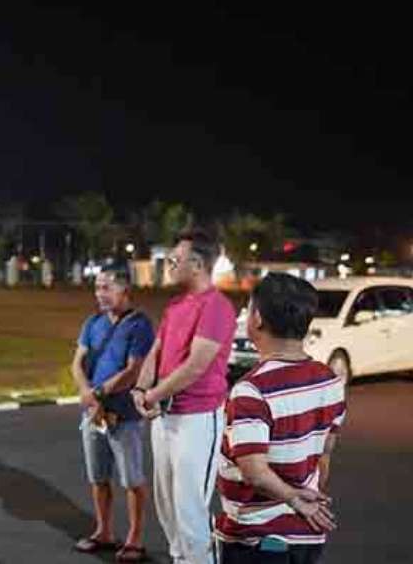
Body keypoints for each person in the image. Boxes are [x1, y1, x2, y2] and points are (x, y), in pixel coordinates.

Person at [216, 273, 345, 563]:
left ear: (257, 318)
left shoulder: (252, 390)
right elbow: (324, 455)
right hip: (306, 529)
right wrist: (304, 499)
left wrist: (292, 498)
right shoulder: (329, 381)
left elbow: (254, 473)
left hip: (258, 538)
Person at [131, 228, 237, 564]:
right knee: (167, 507)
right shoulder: (176, 306)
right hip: (165, 417)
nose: (170, 264)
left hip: (197, 419)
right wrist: (139, 389)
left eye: (175, 259)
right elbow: (156, 352)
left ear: (197, 264)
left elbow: (196, 367)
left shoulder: (217, 307)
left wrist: (152, 395)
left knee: (190, 509)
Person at [71, 269, 155, 562]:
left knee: (132, 479)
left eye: (107, 287)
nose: (100, 293)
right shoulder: (92, 323)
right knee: (98, 477)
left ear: (124, 290)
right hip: (94, 412)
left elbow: (134, 370)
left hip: (124, 414)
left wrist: (98, 392)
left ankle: (134, 538)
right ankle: (104, 531)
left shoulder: (140, 326)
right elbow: (77, 362)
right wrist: (86, 392)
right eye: (97, 287)